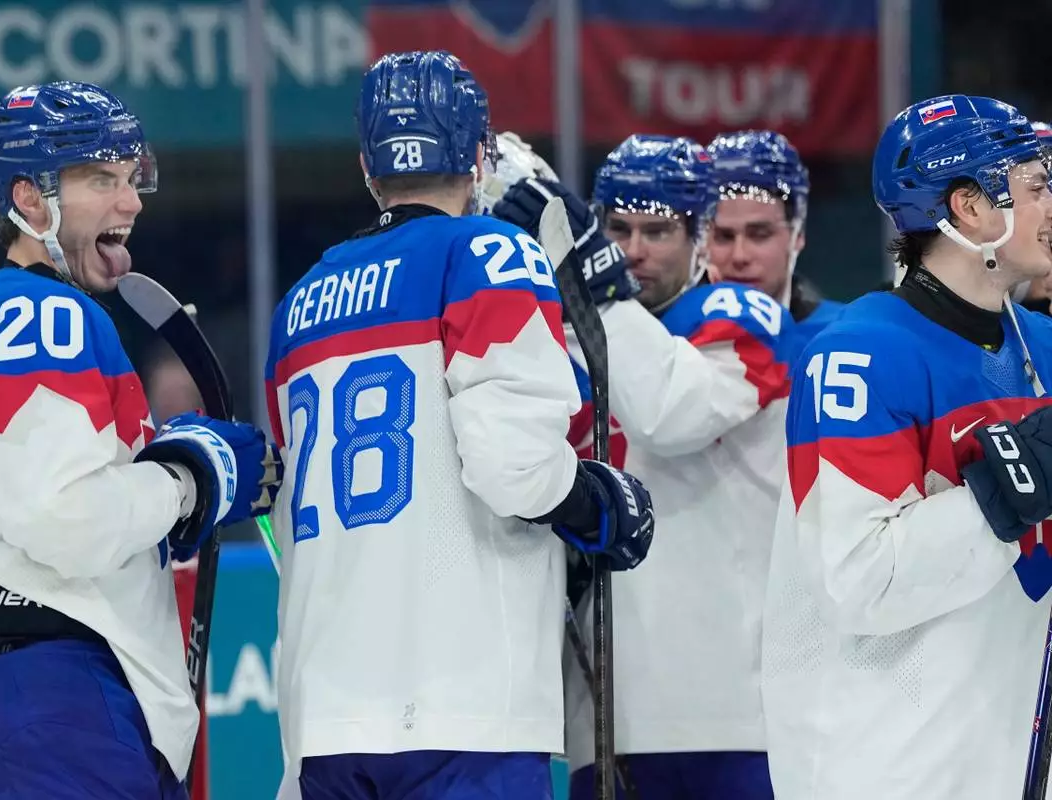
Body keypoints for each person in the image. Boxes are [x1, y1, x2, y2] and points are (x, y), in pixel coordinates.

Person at [264, 51, 654, 799]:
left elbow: (287, 512)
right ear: (478, 155)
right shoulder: (489, 253)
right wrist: (598, 505)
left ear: (367, 166)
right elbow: (515, 466)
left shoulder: (299, 302)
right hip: (462, 704)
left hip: (325, 715)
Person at [0, 80, 281, 798]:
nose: (131, 200)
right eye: (100, 179)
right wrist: (187, 481)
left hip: (45, 699)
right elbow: (63, 518)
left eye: (128, 178)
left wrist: (161, 484)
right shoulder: (38, 312)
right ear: (29, 200)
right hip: (58, 699)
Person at [761, 95, 1052, 800]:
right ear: (971, 207)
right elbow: (860, 580)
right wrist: (1008, 484)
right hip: (882, 767)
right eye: (1038, 186)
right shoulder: (862, 353)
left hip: (1004, 755)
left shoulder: (1040, 347)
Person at [492, 133, 794, 799]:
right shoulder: (563, 337)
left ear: (699, 238)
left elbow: (669, 412)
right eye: (616, 229)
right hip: (599, 718)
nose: (633, 249)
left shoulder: (740, 316)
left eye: (658, 230)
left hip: (731, 717)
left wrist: (590, 282)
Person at [705, 130, 842, 361]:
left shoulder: (842, 338)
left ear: (798, 234)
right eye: (723, 236)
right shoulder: (668, 339)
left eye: (759, 235)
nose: (740, 256)